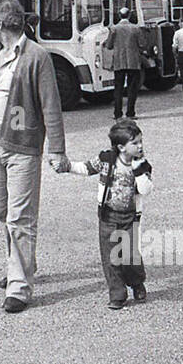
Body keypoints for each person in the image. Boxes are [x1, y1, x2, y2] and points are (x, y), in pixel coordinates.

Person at [0, 0, 68, 313]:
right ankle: (20, 264)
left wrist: (56, 149)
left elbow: (50, 105)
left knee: (20, 218)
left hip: (22, 148)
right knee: (4, 213)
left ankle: (19, 286)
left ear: (0, 25)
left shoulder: (36, 56)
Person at [62, 119, 153, 311]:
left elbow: (145, 189)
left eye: (140, 141)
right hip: (108, 215)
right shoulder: (107, 160)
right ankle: (117, 293)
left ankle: (136, 282)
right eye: (135, 143)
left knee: (129, 255)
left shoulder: (143, 165)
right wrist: (67, 166)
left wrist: (138, 169)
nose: (140, 146)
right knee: (110, 257)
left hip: (130, 216)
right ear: (121, 147)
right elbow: (86, 168)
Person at [104, 7, 145, 119]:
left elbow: (109, 45)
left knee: (118, 88)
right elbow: (142, 44)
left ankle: (117, 114)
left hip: (119, 61)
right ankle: (130, 113)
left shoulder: (114, 29)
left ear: (119, 15)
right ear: (130, 15)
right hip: (133, 62)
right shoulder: (135, 28)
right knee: (132, 88)